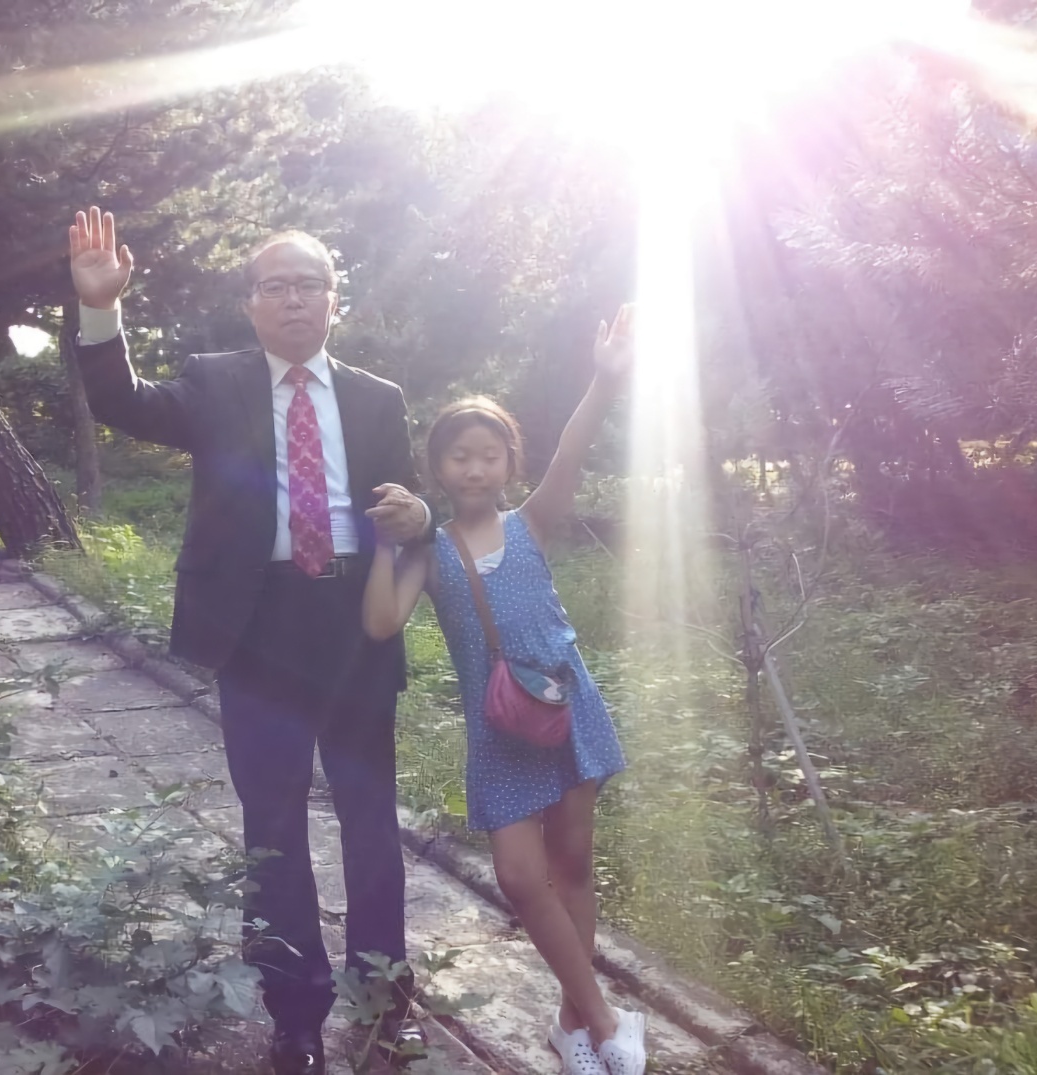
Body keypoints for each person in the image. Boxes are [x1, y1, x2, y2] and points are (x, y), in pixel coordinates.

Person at [68, 207, 431, 1075]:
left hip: (353, 625)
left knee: (370, 819)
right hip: (256, 624)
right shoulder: (214, 381)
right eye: (277, 286)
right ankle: (294, 1014)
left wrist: (419, 515)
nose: (294, 300)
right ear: (252, 304)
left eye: (310, 285)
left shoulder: (377, 398)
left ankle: (383, 995)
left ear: (334, 301)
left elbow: (406, 507)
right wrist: (100, 309)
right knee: (271, 824)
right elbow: (120, 401)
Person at [362, 305, 647, 1075]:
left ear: (509, 464)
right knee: (522, 877)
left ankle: (574, 1025)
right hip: (497, 728)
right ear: (439, 469)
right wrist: (387, 545)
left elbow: (573, 450)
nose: (475, 468)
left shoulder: (531, 522)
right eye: (460, 456)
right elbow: (382, 621)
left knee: (573, 865)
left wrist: (604, 380)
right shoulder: (431, 550)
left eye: (490, 455)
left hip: (563, 704)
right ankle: (607, 1016)